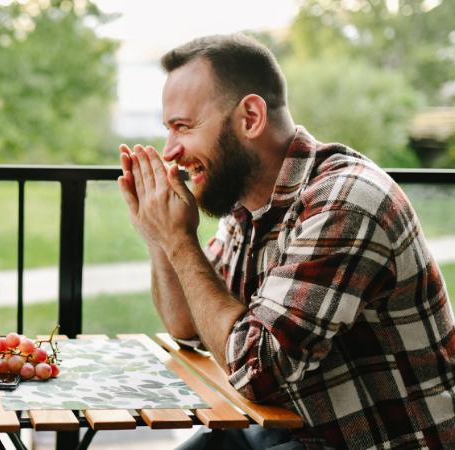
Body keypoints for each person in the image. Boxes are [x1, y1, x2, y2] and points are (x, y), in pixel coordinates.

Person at [118, 33, 455, 449]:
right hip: (289, 426)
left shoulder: (344, 202)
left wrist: (180, 240)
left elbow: (255, 373)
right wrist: (161, 235)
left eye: (183, 127)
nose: (169, 151)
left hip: (376, 440)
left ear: (250, 118)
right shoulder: (248, 205)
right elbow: (188, 324)